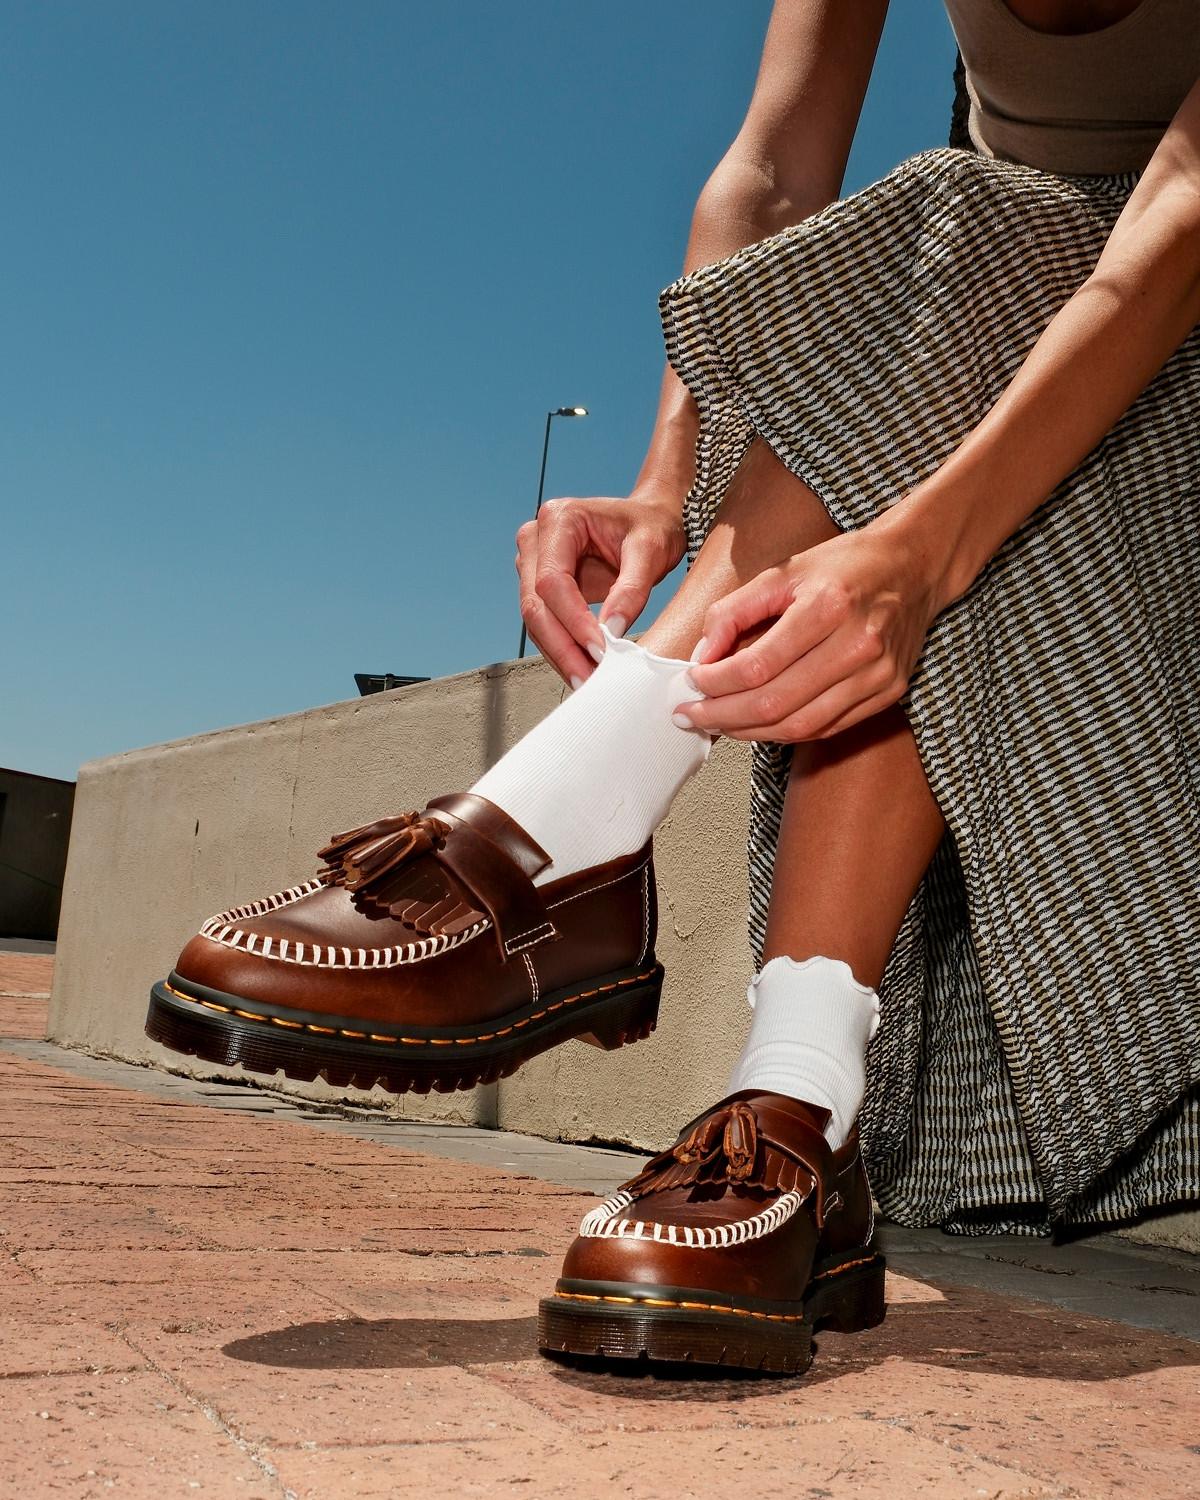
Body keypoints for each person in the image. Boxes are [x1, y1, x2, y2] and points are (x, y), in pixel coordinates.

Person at [148, 0, 1200, 1375]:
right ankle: (793, 1111)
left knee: (978, 239)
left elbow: (1177, 203)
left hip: (1156, 326)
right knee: (953, 286)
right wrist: (671, 485)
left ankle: (563, 834)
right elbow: (770, 162)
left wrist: (918, 549)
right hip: (995, 361)